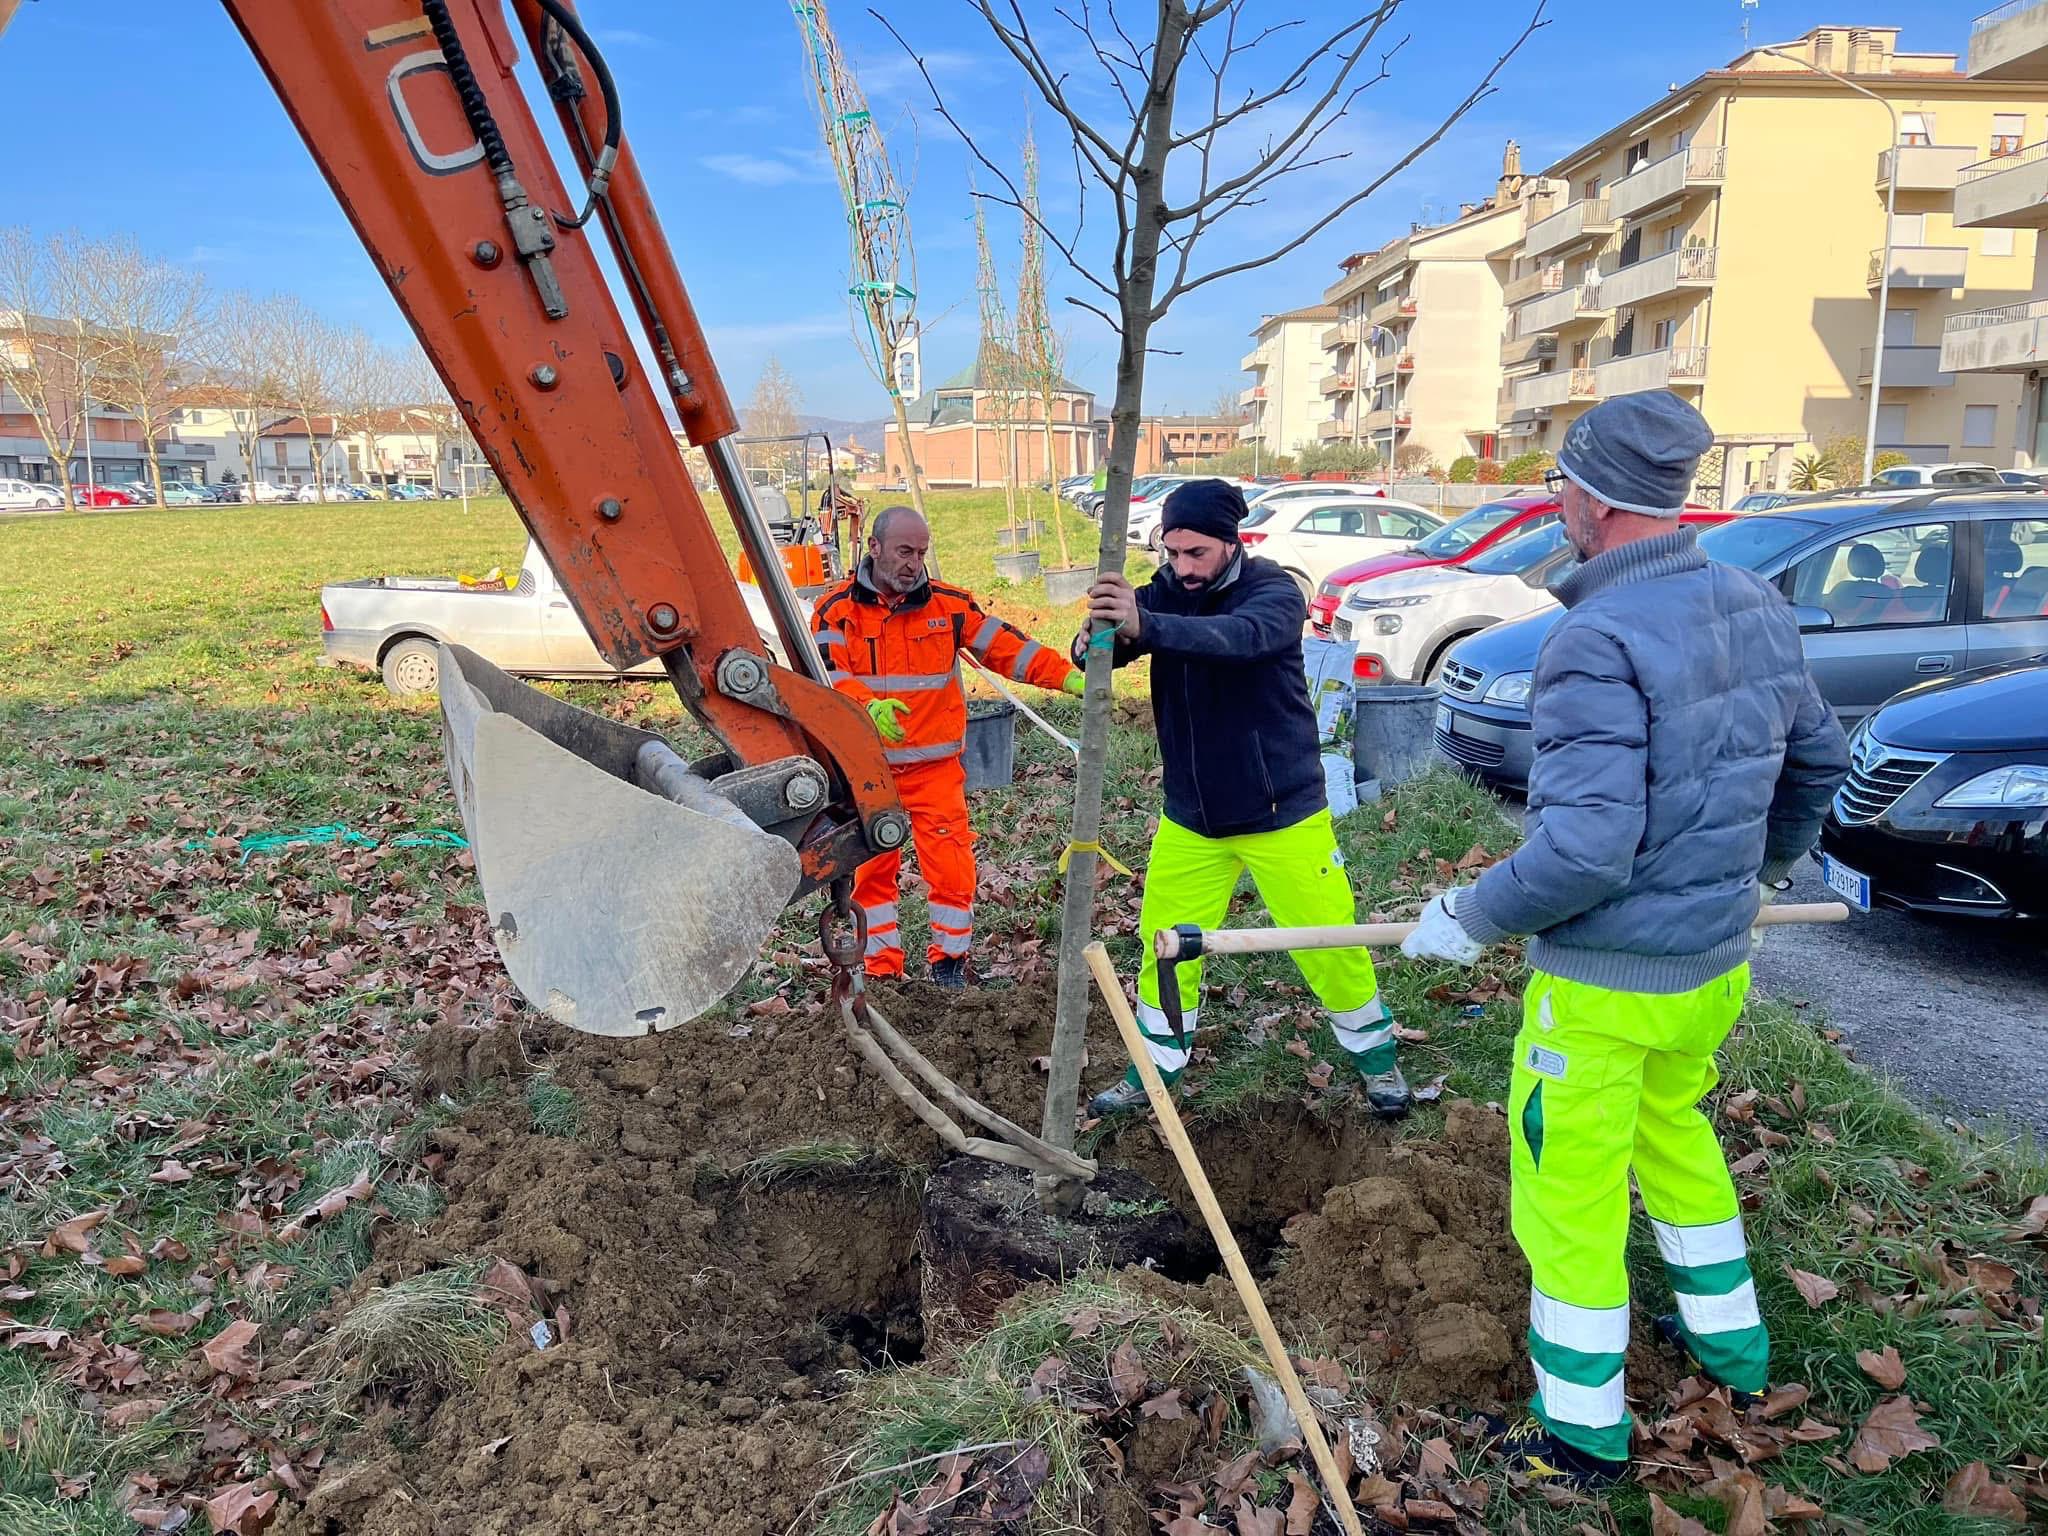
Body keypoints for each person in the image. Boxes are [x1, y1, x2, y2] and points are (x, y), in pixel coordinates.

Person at [1399, 391, 1850, 1484]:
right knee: (1679, 1144)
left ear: (1594, 499)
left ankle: (1580, 1434)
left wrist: (1468, 915)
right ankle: (1735, 1358)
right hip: (1709, 970)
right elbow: (1817, 765)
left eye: (1559, 482)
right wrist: (1757, 878)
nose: (1554, 499)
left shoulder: (1592, 637)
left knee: (1568, 1199)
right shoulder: (1748, 599)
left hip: (1603, 989)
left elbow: (1584, 854)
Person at [1077, 478, 1411, 1120]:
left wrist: (1147, 623)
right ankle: (1157, 1068)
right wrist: (1105, 634)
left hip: (1281, 810)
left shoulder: (1274, 592)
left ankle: (1377, 1059)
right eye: (1171, 554)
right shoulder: (1164, 593)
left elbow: (1239, 639)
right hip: (1193, 816)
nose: (1182, 568)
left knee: (1329, 941)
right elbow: (1102, 650)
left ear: (1233, 543)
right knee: (1165, 947)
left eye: (1196, 553)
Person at [812, 507, 1083, 987]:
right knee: (873, 873)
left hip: (935, 770)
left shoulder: (949, 606)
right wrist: (863, 707)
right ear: (873, 548)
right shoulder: (837, 610)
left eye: (921, 552)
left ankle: (950, 964)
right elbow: (829, 674)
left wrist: (1065, 676)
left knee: (953, 872)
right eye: (904, 551)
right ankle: (881, 970)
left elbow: (1007, 649)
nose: (914, 563)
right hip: (868, 772)